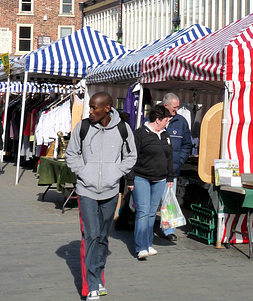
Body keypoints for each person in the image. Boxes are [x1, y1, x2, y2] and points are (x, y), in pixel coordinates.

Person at [65, 92, 136, 301]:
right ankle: (92, 284)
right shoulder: (83, 127)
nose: (90, 111)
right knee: (91, 235)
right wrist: (83, 171)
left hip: (111, 191)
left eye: (94, 107)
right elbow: (71, 153)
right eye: (90, 107)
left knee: (103, 236)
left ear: (107, 108)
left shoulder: (123, 129)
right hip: (86, 190)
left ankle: (98, 275)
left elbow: (131, 155)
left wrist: (116, 172)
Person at [126, 104, 173, 260]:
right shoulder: (140, 134)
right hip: (142, 177)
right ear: (158, 120)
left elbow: (169, 157)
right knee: (143, 212)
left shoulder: (165, 135)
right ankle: (140, 247)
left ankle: (148, 243)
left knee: (152, 213)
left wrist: (170, 176)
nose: (167, 123)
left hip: (160, 179)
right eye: (166, 120)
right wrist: (130, 179)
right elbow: (131, 157)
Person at [161, 92, 193, 242]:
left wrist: (180, 159)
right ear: (165, 106)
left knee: (169, 201)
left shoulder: (181, 121)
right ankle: (146, 228)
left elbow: (188, 143)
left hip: (172, 170)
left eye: (178, 107)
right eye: (174, 107)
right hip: (154, 169)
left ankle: (168, 230)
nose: (177, 110)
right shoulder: (154, 118)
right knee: (152, 202)